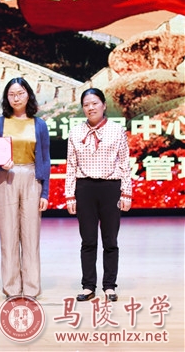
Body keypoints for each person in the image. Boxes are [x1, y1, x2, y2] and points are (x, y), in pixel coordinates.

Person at [65, 88, 132, 303]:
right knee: (88, 240)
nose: (91, 108)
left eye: (95, 103)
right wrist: (70, 195)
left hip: (110, 188)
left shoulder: (117, 130)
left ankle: (110, 285)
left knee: (110, 240)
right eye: (86, 105)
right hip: (85, 188)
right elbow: (71, 165)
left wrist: (126, 192)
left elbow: (124, 164)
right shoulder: (76, 132)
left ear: (104, 105)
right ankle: (88, 286)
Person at [0, 77, 50, 298]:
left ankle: (31, 287)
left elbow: (45, 159)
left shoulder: (39, 124)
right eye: (12, 94)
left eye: (20, 93)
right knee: (8, 234)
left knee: (31, 235)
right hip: (5, 179)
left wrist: (45, 191)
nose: (16, 98)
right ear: (6, 97)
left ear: (28, 95)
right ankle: (11, 288)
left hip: (32, 176)